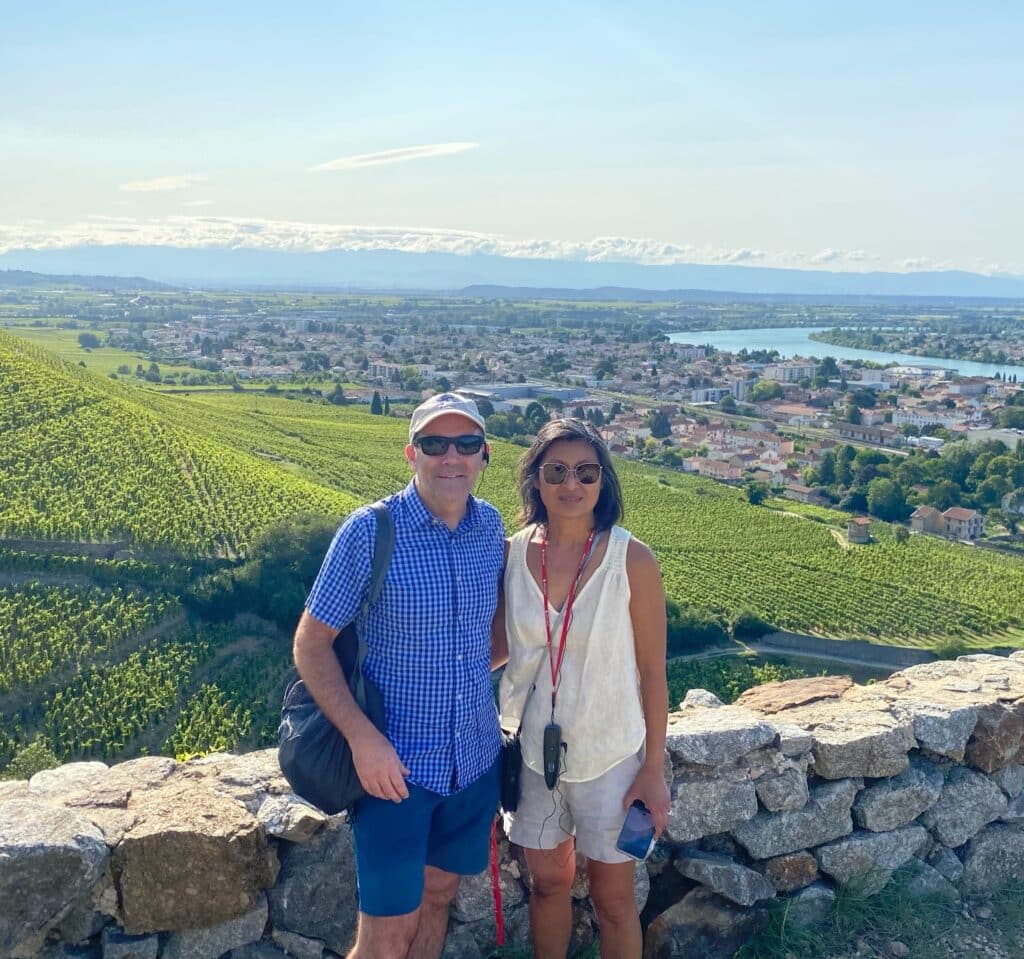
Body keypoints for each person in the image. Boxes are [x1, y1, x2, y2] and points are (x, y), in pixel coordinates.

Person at [293, 392, 504, 959]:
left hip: (476, 761)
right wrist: (364, 741)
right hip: (395, 770)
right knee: (384, 937)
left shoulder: (491, 529)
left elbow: (492, 636)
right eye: (435, 444)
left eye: (466, 444)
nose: (451, 457)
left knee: (439, 898)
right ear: (412, 453)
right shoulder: (369, 531)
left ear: (485, 457)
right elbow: (312, 643)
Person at [495, 418, 669, 959]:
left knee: (613, 902)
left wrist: (653, 769)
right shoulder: (512, 554)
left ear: (603, 482)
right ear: (537, 481)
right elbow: (500, 649)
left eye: (586, 471)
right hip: (531, 758)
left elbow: (653, 673)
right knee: (548, 887)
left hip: (612, 757)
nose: (572, 483)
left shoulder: (630, 560)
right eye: (557, 470)